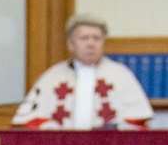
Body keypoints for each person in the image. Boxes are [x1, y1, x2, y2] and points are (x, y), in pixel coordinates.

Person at [12, 13, 152, 130]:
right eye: (84, 38)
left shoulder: (121, 75)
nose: (91, 43)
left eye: (96, 38)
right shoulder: (52, 77)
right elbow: (29, 121)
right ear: (71, 44)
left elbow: (138, 122)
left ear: (103, 42)